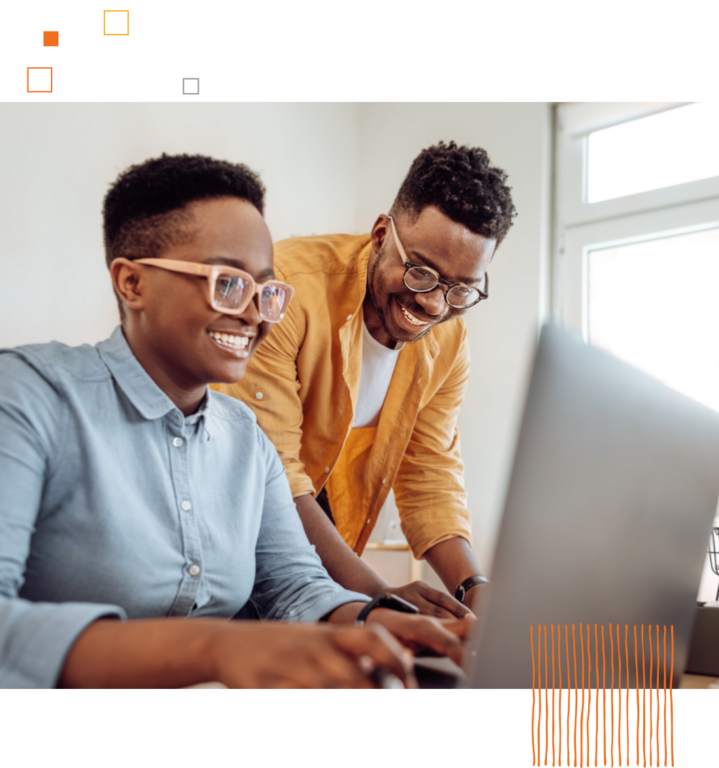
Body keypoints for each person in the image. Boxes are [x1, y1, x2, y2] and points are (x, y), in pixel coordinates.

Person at [0, 153, 472, 690]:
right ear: (131, 283)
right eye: (227, 283)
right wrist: (215, 648)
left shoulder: (246, 439)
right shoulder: (28, 397)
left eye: (266, 291)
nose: (253, 312)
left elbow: (294, 586)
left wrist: (377, 621)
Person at [213, 142, 517, 619]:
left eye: (460, 289)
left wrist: (474, 590)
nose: (435, 305)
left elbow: (430, 473)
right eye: (421, 273)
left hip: (325, 563)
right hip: (236, 550)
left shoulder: (450, 343)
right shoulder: (286, 289)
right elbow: (271, 476)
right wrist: (380, 599)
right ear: (381, 235)